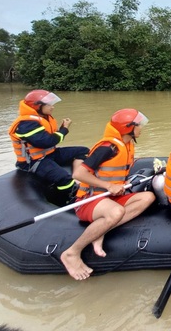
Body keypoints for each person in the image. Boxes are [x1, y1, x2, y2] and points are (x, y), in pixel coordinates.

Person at [60, 108, 155, 280]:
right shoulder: (108, 148)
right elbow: (79, 174)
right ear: (128, 128)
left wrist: (120, 185)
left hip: (110, 198)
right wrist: (108, 185)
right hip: (89, 199)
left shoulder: (126, 145)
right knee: (116, 212)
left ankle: (102, 230)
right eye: (138, 125)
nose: (141, 128)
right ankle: (72, 252)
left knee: (148, 197)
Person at [8, 89, 89, 206]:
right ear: (38, 106)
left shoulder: (43, 117)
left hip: (50, 153)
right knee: (64, 179)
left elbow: (49, 140)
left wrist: (61, 129)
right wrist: (64, 129)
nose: (53, 107)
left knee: (83, 151)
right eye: (49, 105)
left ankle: (77, 176)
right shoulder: (26, 124)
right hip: (34, 161)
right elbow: (47, 142)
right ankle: (64, 200)